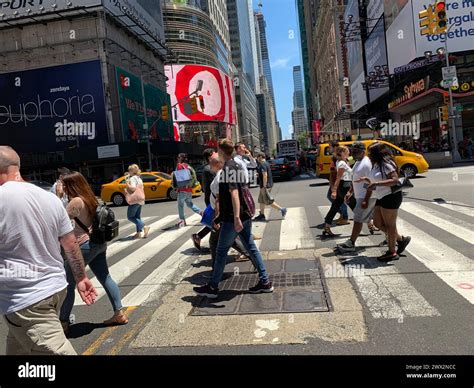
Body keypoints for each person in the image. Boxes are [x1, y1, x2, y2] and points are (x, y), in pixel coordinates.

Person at [0, 146, 97, 355]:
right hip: (55, 289)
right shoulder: (49, 197)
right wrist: (81, 278)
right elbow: (70, 243)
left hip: (27, 298)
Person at [193, 139, 274, 298]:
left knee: (221, 250)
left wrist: (235, 217)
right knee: (250, 247)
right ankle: (265, 282)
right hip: (244, 214)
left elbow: (234, 193)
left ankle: (213, 287)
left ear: (221, 151)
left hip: (233, 218)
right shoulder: (235, 164)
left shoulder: (229, 168)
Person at [59, 172, 128, 332]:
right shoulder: (90, 198)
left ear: (71, 185)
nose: (61, 187)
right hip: (97, 243)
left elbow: (59, 220)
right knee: (105, 277)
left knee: (68, 284)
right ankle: (119, 313)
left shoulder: (76, 201)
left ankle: (63, 322)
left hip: (83, 245)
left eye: (63, 184)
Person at [356, 143, 411, 262]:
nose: (368, 155)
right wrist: (366, 182)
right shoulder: (375, 165)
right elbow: (373, 180)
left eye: (370, 153)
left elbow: (395, 180)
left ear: (377, 154)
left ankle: (392, 252)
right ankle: (400, 239)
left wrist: (376, 184)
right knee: (377, 222)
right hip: (380, 197)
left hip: (391, 196)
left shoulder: (386, 164)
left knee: (390, 225)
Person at [336, 142, 377, 252]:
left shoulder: (366, 164)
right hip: (360, 196)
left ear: (363, 152)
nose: (352, 154)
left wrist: (366, 199)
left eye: (355, 152)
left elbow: (371, 182)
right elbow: (356, 178)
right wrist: (350, 191)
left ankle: (351, 243)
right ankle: (399, 239)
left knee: (358, 219)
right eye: (352, 151)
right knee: (379, 222)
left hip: (366, 196)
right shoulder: (358, 162)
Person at [323, 146, 356, 237]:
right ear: (342, 153)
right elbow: (338, 178)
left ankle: (327, 226)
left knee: (335, 207)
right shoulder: (341, 163)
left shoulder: (342, 161)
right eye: (347, 151)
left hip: (344, 186)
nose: (349, 153)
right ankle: (370, 224)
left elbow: (352, 160)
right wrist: (334, 191)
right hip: (344, 187)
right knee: (355, 207)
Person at [192, 149, 217, 251]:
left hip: (211, 198)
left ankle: (198, 237)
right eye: (214, 153)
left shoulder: (208, 169)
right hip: (213, 199)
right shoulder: (209, 169)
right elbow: (215, 186)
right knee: (217, 221)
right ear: (210, 157)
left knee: (215, 221)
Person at [254, 152, 287, 221]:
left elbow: (265, 175)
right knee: (261, 201)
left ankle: (282, 209)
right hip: (267, 184)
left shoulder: (263, 164)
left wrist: (264, 185)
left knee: (268, 201)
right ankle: (262, 215)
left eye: (257, 157)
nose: (257, 159)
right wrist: (259, 175)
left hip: (265, 185)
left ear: (260, 157)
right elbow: (264, 174)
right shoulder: (266, 163)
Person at [172, 153, 202, 228]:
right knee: (190, 204)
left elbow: (178, 178)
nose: (177, 158)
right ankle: (202, 213)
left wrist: (176, 187)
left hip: (182, 189)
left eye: (178, 157)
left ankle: (182, 221)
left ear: (181, 158)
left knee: (180, 205)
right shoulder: (188, 166)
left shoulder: (179, 165)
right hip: (189, 189)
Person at [327, 141, 349, 225]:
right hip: (339, 181)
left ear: (334, 147)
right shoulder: (335, 157)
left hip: (340, 181)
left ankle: (345, 216)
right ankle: (343, 215)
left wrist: (334, 186)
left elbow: (336, 173)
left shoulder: (337, 157)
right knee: (335, 198)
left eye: (330, 146)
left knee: (337, 199)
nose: (329, 148)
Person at [126, 164, 150, 239]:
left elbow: (132, 188)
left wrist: (127, 183)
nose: (128, 171)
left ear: (132, 171)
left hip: (135, 200)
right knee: (137, 217)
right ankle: (138, 233)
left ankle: (144, 226)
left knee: (130, 217)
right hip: (140, 199)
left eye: (129, 170)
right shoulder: (139, 178)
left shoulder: (132, 178)